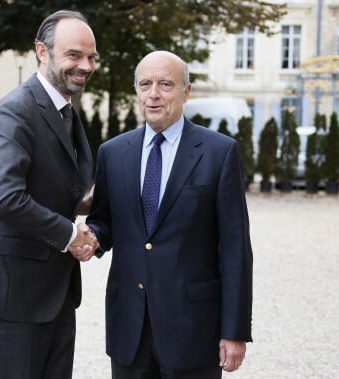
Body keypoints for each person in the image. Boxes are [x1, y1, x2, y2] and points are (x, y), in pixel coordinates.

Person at [86, 50, 253, 379]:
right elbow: (104, 221)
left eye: (165, 84)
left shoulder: (219, 153)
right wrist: (90, 238)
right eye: (145, 84)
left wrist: (234, 331)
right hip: (128, 328)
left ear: (186, 91)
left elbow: (235, 249)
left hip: (193, 330)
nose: (154, 94)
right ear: (136, 90)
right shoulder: (113, 153)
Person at [0, 10, 99, 378]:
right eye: (74, 55)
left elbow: (56, 189)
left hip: (54, 295)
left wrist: (99, 204)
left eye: (91, 57)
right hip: (13, 298)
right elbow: (5, 200)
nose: (85, 65)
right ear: (42, 51)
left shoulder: (63, 109)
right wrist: (70, 235)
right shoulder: (15, 111)